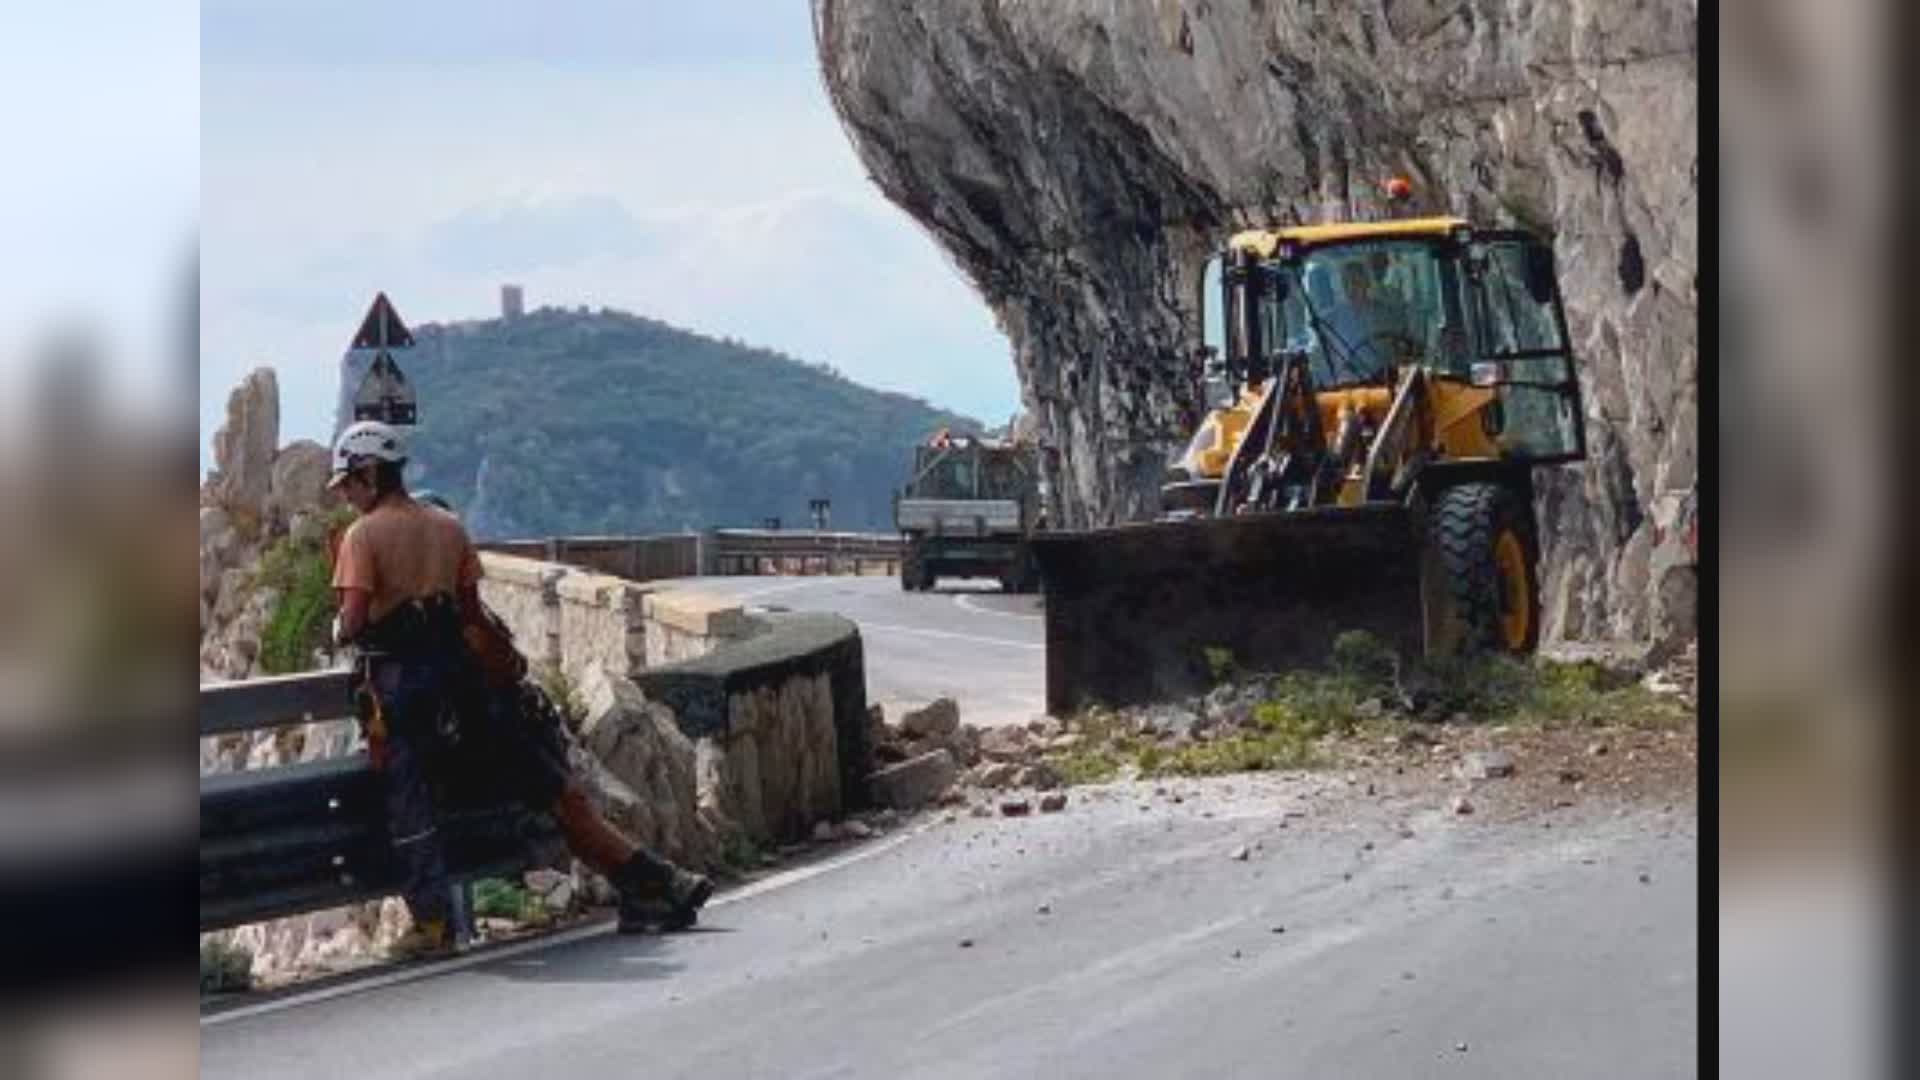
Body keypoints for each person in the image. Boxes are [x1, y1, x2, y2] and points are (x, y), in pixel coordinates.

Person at [326, 420, 712, 961]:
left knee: (407, 802)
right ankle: (656, 880)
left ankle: (433, 924)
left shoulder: (362, 537)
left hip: (407, 694)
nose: (344, 496)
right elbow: (470, 616)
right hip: (472, 690)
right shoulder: (449, 527)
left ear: (368, 473)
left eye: (347, 484)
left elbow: (354, 619)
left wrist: (341, 628)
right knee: (554, 792)